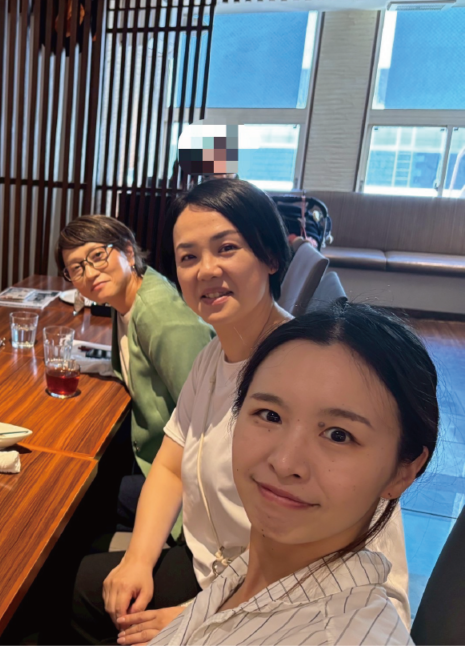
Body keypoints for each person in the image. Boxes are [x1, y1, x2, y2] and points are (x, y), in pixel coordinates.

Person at [71, 178, 411, 644]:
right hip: (214, 568)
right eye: (188, 257)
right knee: (87, 579)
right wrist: (137, 560)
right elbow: (170, 463)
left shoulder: (315, 374)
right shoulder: (215, 355)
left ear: (270, 256)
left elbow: (373, 578)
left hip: (271, 605)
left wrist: (202, 618)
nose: (206, 270)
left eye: (226, 248)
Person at [148, 302, 435, 646]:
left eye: (338, 435)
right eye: (270, 415)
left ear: (403, 472)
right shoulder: (255, 568)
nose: (284, 463)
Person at [56, 215, 213, 478]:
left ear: (128, 252)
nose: (90, 273)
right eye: (76, 268)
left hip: (174, 469)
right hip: (146, 442)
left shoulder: (162, 319)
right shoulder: (125, 297)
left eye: (98, 256)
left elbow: (208, 422)